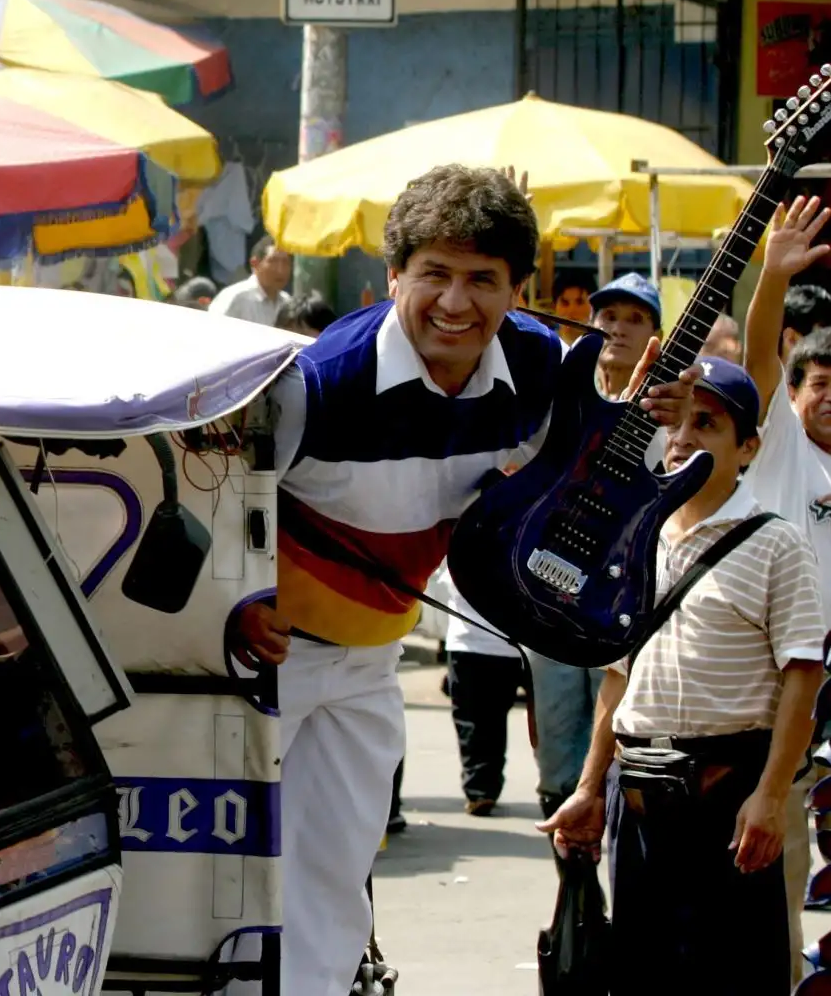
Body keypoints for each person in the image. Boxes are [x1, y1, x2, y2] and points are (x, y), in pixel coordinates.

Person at [234, 164, 696, 996]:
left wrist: (648, 416)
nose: (456, 303)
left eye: (483, 280)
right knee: (224, 880)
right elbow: (220, 487)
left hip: (371, 658)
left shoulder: (536, 364)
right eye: (434, 275)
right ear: (393, 278)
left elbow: (585, 471)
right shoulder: (320, 383)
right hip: (266, 658)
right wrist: (233, 605)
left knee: (335, 888)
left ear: (519, 290)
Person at [540, 357, 824, 994]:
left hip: (729, 797)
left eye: (708, 423)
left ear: (747, 445)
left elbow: (803, 676)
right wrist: (589, 788)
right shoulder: (636, 534)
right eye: (677, 423)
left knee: (733, 976)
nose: (685, 437)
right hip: (637, 794)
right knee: (642, 974)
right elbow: (618, 679)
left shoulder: (777, 543)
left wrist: (771, 796)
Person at [520, 271, 665, 823]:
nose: (619, 329)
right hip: (546, 587)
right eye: (608, 317)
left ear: (657, 334)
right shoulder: (564, 394)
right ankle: (573, 883)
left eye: (636, 320)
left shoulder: (671, 416)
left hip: (619, 600)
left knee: (615, 742)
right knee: (556, 744)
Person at [733, 195, 831, 975]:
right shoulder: (781, 450)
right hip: (779, 689)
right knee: (779, 868)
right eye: (818, 381)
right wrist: (771, 278)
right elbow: (760, 353)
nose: (829, 395)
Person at [429, 561, 522, 817]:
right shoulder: (514, 549)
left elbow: (445, 585)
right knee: (494, 718)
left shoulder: (463, 547)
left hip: (467, 646)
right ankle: (486, 787)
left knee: (470, 720)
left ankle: (480, 790)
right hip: (505, 649)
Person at [206, 234, 291, 325]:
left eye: (286, 263)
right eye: (273, 261)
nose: (280, 270)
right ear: (255, 263)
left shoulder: (287, 302)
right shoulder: (236, 298)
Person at [551, 275, 593, 345]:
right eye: (565, 303)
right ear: (554, 306)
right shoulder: (544, 347)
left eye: (580, 302)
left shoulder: (605, 349)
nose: (571, 310)